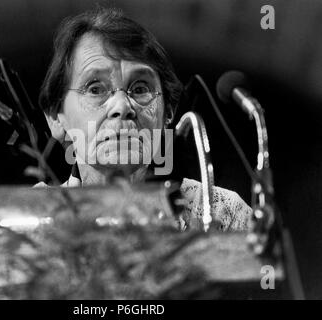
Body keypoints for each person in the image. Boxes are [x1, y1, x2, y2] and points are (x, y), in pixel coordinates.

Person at [38, 8, 251, 231]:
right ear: (55, 118)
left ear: (168, 111)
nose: (121, 106)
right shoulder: (29, 219)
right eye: (95, 89)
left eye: (140, 88)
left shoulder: (223, 215)